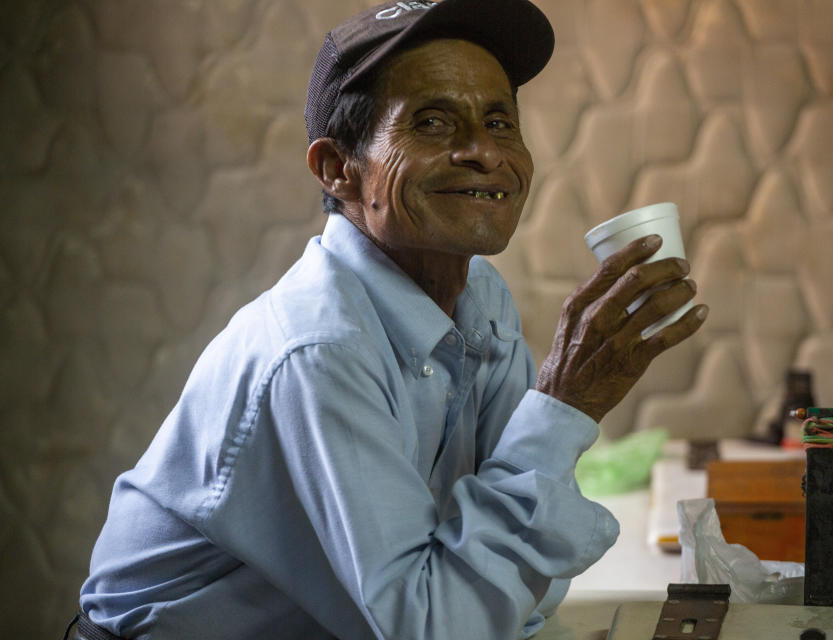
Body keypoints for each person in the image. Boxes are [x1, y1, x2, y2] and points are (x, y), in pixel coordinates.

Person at [69, 1, 707, 638]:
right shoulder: (320, 352)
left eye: (499, 121)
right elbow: (437, 626)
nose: (484, 152)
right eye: (431, 122)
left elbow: (515, 594)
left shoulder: (480, 299)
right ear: (337, 169)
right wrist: (566, 404)